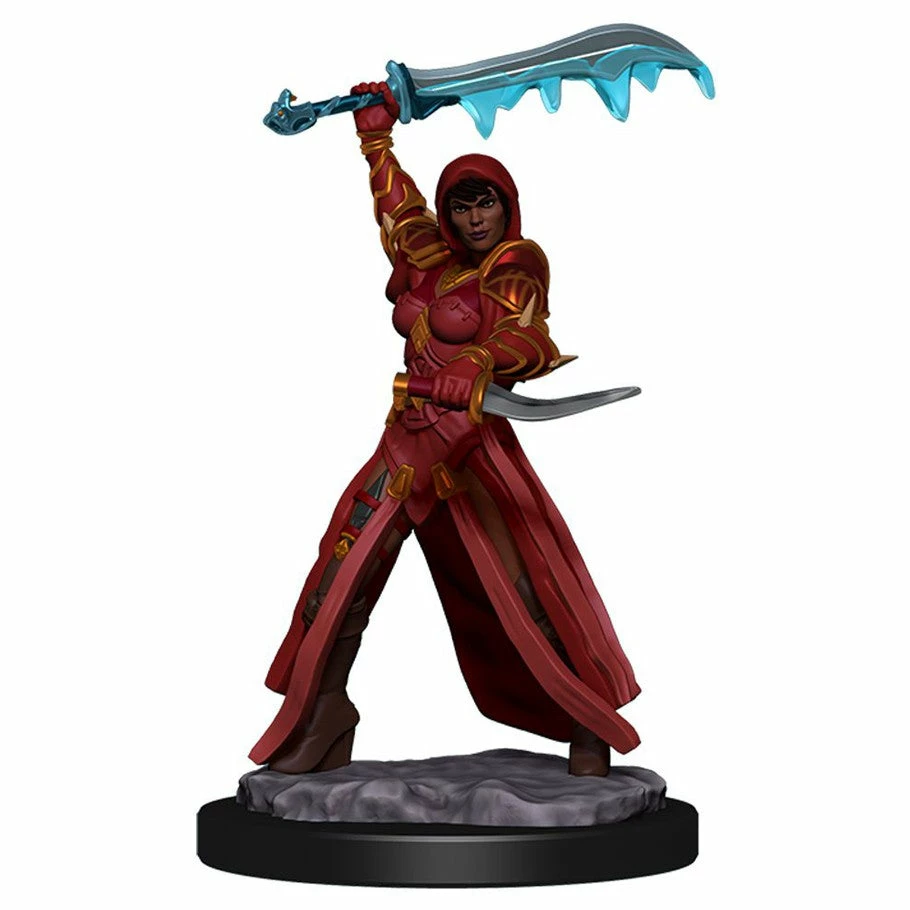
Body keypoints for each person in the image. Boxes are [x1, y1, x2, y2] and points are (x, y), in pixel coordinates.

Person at [249, 81, 640, 777]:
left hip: (471, 451)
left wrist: (484, 359)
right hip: (406, 443)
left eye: (485, 202)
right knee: (341, 574)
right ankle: (325, 713)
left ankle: (586, 721)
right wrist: (374, 135)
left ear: (506, 206)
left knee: (527, 589)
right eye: (461, 205)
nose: (473, 217)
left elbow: (532, 338)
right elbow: (398, 210)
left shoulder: (514, 264)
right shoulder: (430, 260)